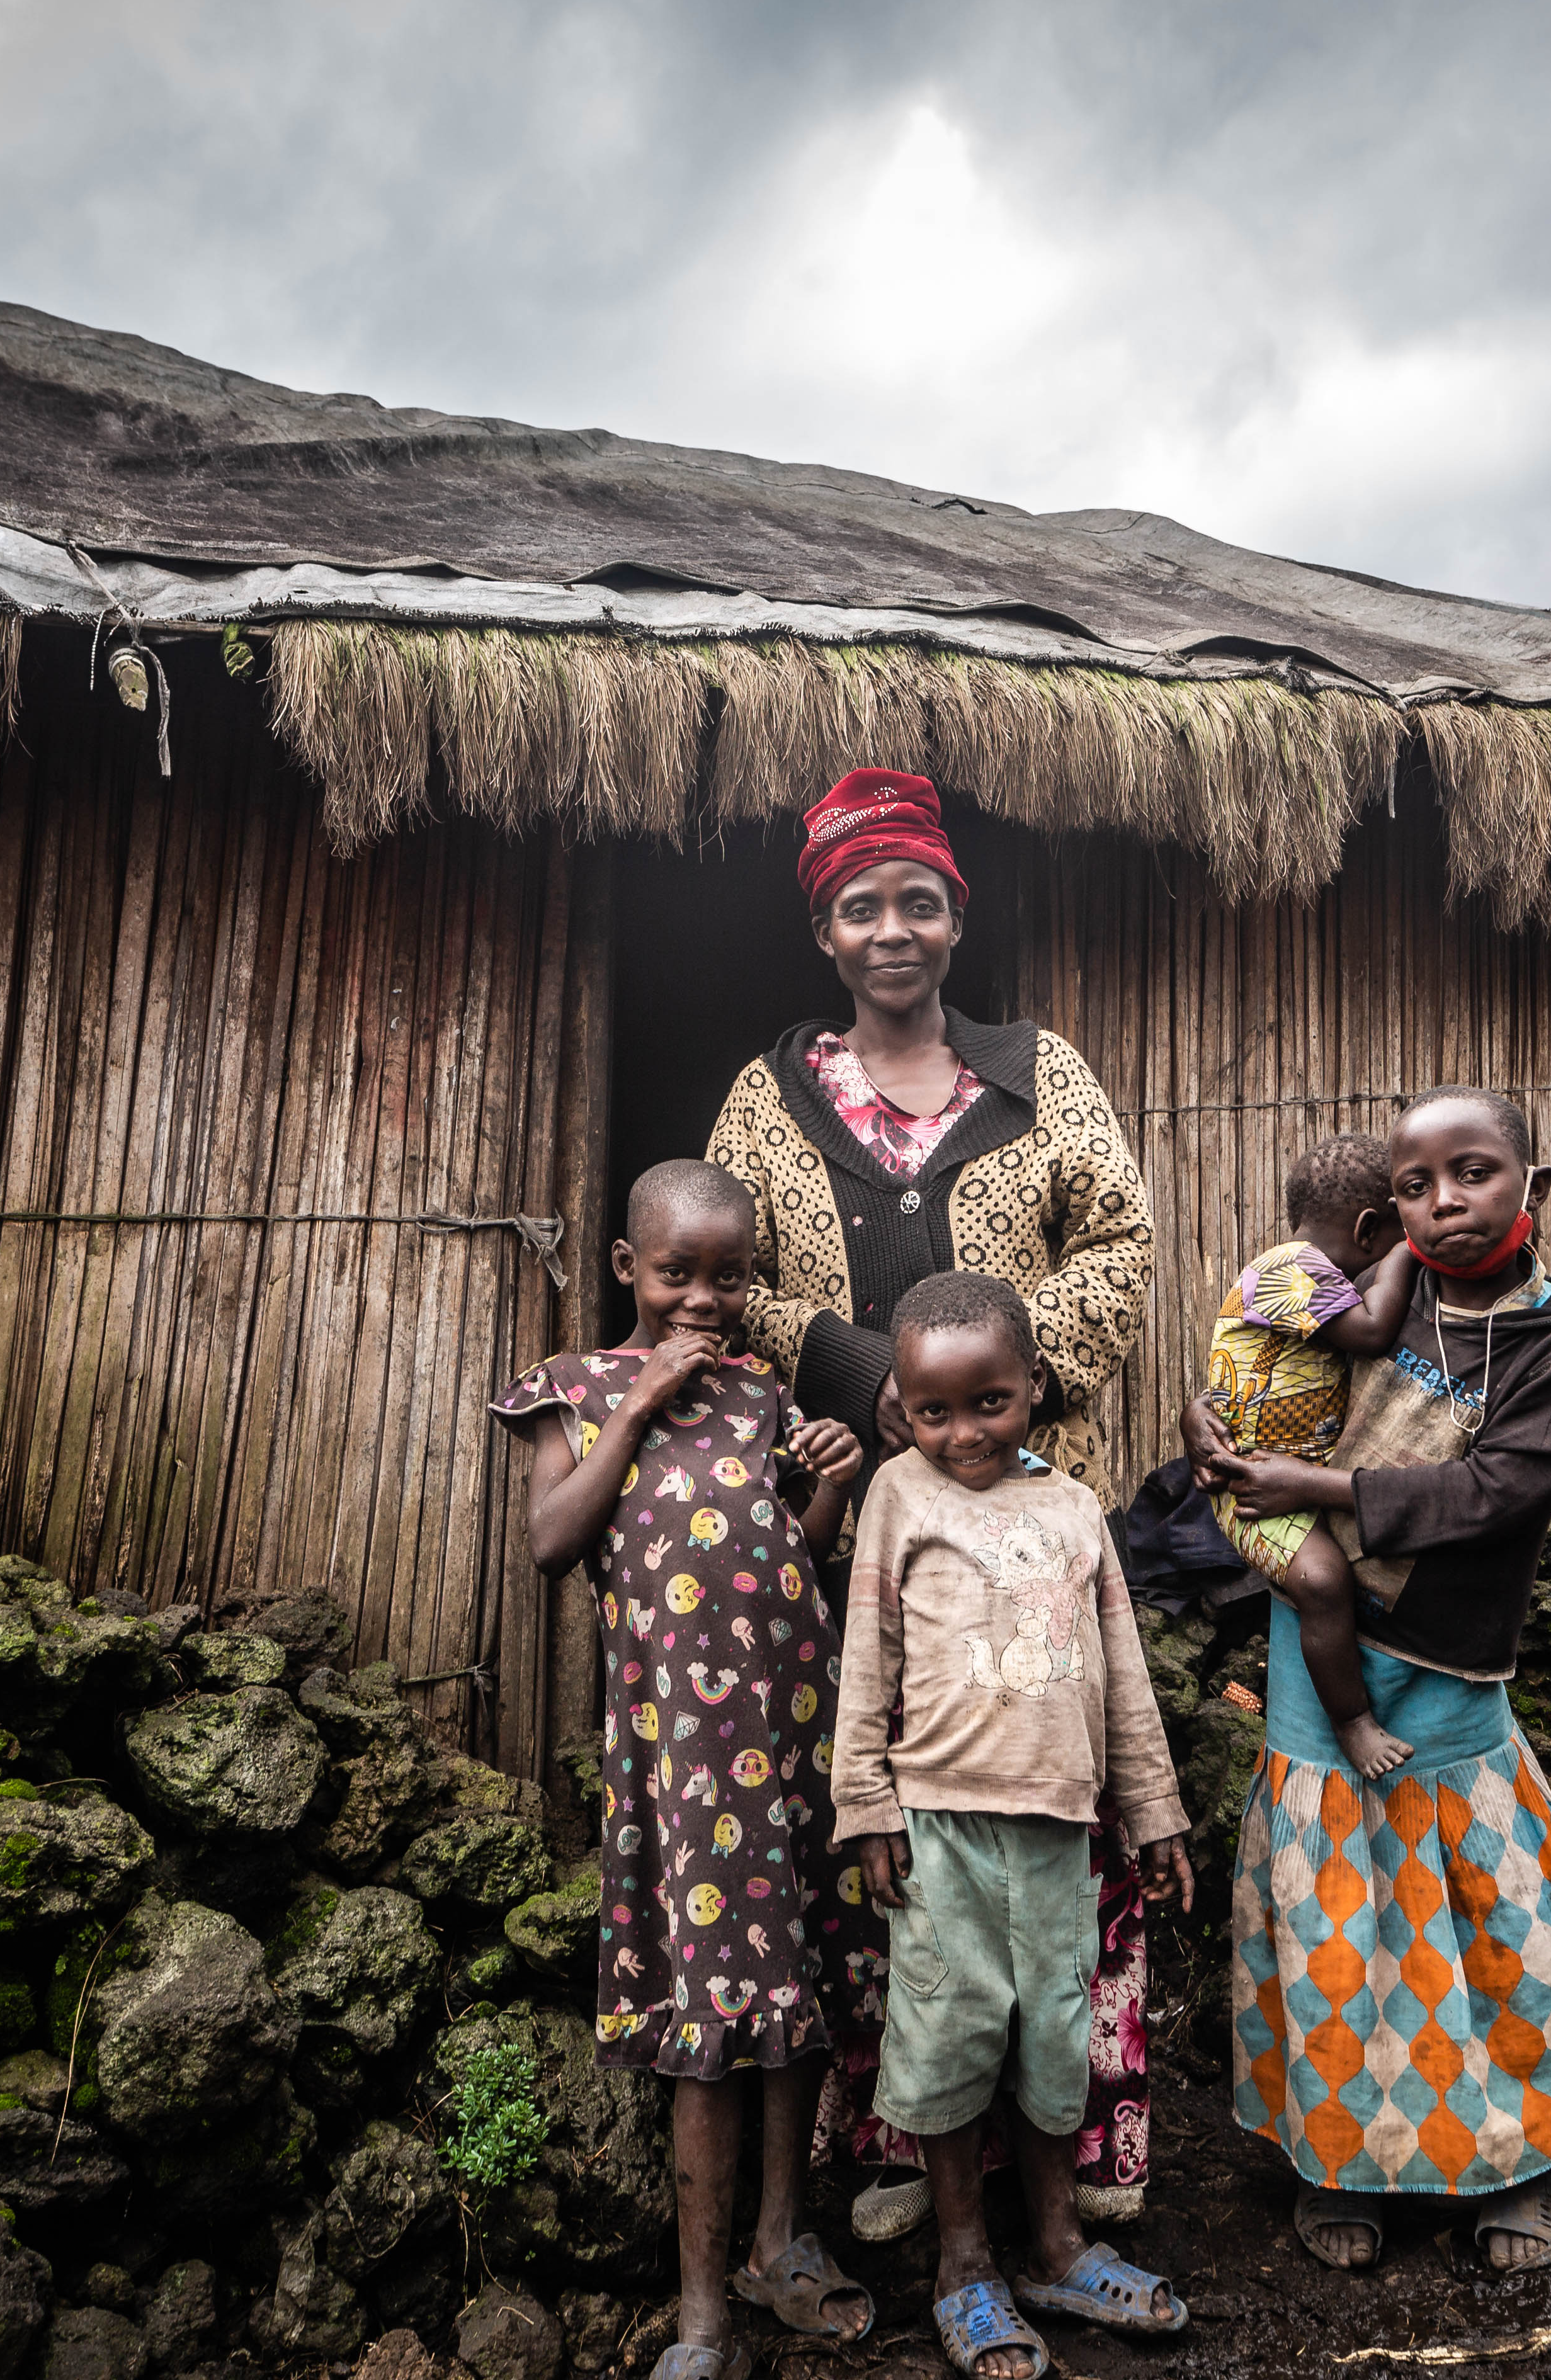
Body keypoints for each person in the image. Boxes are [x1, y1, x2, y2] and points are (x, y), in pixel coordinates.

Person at [703, 766, 1162, 2227]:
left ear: (952, 917)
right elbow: (732, 1274)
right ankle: (909, 2137)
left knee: (1047, 1812)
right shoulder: (767, 1095)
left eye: (915, 900)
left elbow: (1122, 1244)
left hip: (1030, 1516)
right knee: (897, 1825)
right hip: (865, 1524)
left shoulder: (1036, 1070)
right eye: (858, 905)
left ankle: (1083, 2150)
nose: (889, 927)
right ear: (824, 934)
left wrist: (988, 1370)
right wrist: (853, 1369)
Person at [1188, 1087, 1551, 2277]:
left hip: (1445, 1654)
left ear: (1535, 1183)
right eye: (1420, 1186)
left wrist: (1316, 1492)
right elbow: (1258, 1360)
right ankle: (1343, 2157)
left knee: (1478, 1905)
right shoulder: (1379, 1290)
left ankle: (1520, 2160)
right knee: (1336, 1910)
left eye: (1475, 1172)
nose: (1448, 1203)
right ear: (1391, 1208)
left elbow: (1497, 1492)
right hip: (1319, 1639)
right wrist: (1214, 1432)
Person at [491, 1159, 875, 2380]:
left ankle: (780, 2243)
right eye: (677, 1274)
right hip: (687, 1764)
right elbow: (555, 1543)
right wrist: (640, 1403)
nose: (705, 1299)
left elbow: (794, 1570)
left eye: (729, 1276)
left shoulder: (765, 1395)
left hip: (794, 1735)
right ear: (626, 1270)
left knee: (794, 1990)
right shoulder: (577, 1389)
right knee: (712, 2011)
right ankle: (702, 2309)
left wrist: (830, 1486)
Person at [832, 1273, 1194, 2379]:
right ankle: (962, 2265)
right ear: (902, 1404)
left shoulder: (1077, 1509)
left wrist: (1154, 1810)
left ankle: (1055, 2249)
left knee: (1050, 2043)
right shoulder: (898, 1494)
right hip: (939, 1828)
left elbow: (1122, 1669)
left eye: (988, 1402)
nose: (962, 1431)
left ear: (1033, 1386)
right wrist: (865, 1803)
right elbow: (868, 1655)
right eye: (933, 1410)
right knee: (948, 2039)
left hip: (1058, 1832)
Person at [1198, 1131, 1417, 1780]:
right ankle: (1351, 1721)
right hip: (1250, 1485)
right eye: (1396, 1233)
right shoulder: (1287, 1269)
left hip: (1289, 1472)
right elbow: (1375, 1331)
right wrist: (1410, 1253)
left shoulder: (1304, 1272)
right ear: (1369, 1226)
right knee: (1324, 1584)